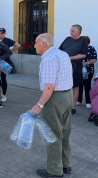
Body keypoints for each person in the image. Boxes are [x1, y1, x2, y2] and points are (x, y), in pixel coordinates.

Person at [30, 33, 73, 178]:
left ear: (44, 44)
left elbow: (49, 87)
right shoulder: (62, 54)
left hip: (55, 99)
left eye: (36, 42)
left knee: (53, 134)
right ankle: (66, 164)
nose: (34, 45)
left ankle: (54, 170)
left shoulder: (48, 59)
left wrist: (38, 106)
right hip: (68, 96)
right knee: (65, 132)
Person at [59, 24, 88, 116]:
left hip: (76, 68)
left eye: (72, 31)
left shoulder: (83, 41)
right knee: (63, 87)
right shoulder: (67, 39)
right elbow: (60, 50)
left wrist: (70, 58)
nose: (70, 32)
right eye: (70, 30)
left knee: (75, 87)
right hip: (64, 67)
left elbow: (83, 55)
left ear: (78, 32)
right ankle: (63, 106)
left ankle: (73, 107)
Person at [0, 28, 21, 102]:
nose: (0, 34)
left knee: (3, 78)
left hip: (4, 61)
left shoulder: (7, 40)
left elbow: (18, 45)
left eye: (1, 33)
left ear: (4, 33)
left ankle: (4, 95)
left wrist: (10, 51)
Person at [77, 36, 97, 108]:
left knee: (87, 86)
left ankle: (88, 101)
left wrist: (86, 63)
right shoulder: (79, 49)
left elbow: (94, 59)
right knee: (79, 85)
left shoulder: (91, 49)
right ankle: (79, 100)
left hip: (88, 70)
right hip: (79, 70)